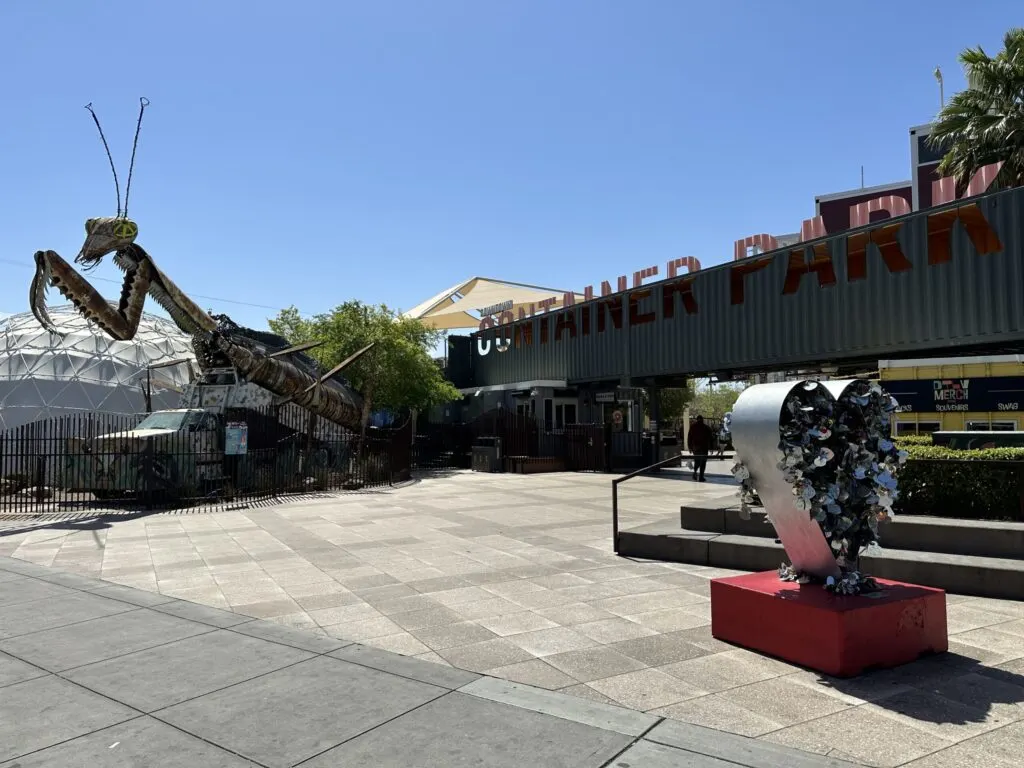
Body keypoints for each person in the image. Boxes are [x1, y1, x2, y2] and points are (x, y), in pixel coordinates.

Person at [688, 415, 713, 482]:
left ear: (697, 419)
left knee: (697, 461)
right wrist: (711, 448)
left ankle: (695, 473)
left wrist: (690, 447)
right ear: (702, 420)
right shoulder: (706, 427)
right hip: (704, 447)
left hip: (695, 448)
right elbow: (711, 438)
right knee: (703, 462)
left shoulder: (693, 427)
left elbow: (689, 438)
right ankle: (701, 476)